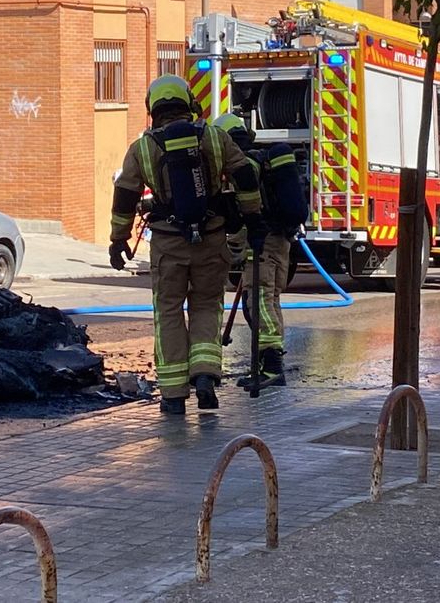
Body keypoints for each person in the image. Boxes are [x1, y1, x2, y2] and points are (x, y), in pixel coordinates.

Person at [109, 76, 265, 415]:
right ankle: (205, 374)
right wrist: (253, 218)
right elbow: (244, 175)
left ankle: (174, 393)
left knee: (168, 312)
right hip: (211, 238)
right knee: (207, 305)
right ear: (188, 103)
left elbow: (125, 196)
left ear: (153, 109)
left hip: (168, 243)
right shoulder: (213, 136)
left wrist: (118, 239)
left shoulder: (143, 148)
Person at [211, 113, 302, 389]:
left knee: (258, 302)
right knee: (268, 299)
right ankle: (267, 364)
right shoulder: (261, 160)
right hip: (279, 240)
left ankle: (272, 367)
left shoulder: (244, 165)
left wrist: (234, 246)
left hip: (263, 242)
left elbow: (245, 208)